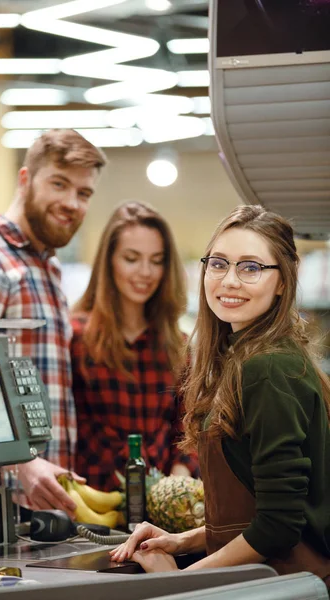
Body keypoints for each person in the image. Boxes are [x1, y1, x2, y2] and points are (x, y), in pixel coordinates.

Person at [110, 205, 330, 586]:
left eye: (251, 268)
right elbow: (259, 515)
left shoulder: (268, 369)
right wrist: (184, 540)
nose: (229, 280)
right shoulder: (249, 356)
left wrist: (177, 583)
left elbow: (279, 527)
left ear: (283, 281)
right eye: (218, 263)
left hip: (284, 585)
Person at [0, 129, 107, 517]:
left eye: (84, 193)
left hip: (40, 510)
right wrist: (24, 463)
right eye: (59, 184)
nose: (71, 202)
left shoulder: (47, 268)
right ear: (25, 180)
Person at [70, 201, 199, 491]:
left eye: (157, 260)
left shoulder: (178, 345)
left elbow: (188, 427)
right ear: (109, 261)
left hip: (161, 512)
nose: (146, 272)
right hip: (91, 509)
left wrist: (180, 478)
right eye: (131, 258)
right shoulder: (75, 338)